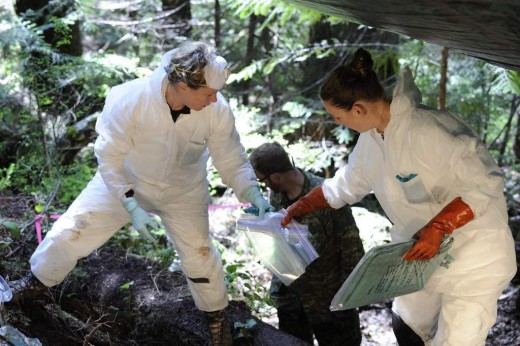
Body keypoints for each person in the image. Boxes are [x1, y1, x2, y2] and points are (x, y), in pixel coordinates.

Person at [8, 41, 273, 346]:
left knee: (199, 254)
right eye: (209, 93)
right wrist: (130, 204)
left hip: (183, 190)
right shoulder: (129, 98)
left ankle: (216, 317)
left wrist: (252, 193)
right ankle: (36, 282)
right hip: (124, 180)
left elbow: (231, 158)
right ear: (184, 86)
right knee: (74, 228)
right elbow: (109, 157)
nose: (215, 99)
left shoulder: (217, 110)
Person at [281, 48, 517, 345]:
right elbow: (346, 184)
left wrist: (439, 226)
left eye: (337, 116)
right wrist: (301, 206)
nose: (337, 123)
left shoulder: (430, 131)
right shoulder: (371, 140)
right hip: (422, 253)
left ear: (358, 109)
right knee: (406, 326)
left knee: (457, 340)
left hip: (475, 258)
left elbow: (485, 185)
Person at [249, 142, 365, 345]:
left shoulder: (328, 195)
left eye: (263, 180)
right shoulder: (276, 195)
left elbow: (351, 248)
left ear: (275, 177)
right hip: (292, 297)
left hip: (329, 298)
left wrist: (349, 295)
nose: (263, 185)